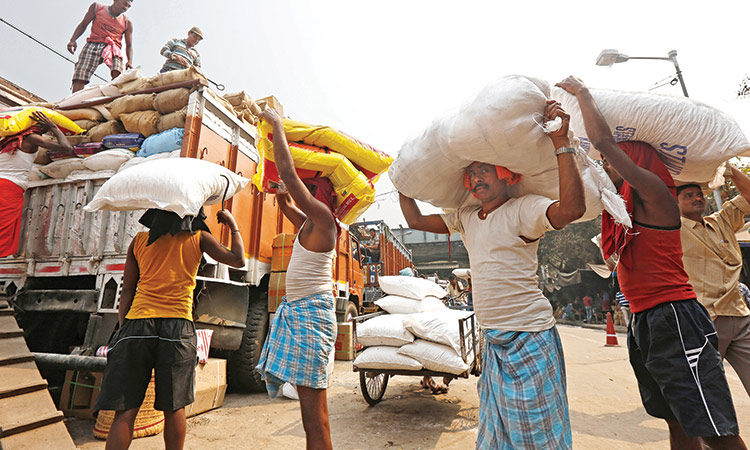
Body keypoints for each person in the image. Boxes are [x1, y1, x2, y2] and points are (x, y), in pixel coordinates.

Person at [558, 75, 745, 449]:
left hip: (674, 316)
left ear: (639, 163)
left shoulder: (657, 196)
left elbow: (603, 143)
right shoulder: (622, 212)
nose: (609, 168)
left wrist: (582, 93)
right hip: (644, 320)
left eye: (619, 165)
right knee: (676, 421)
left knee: (712, 428)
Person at [399, 99, 584, 449]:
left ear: (506, 173)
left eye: (484, 169)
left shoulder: (523, 209)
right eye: (471, 173)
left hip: (530, 339)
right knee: (498, 437)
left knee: (538, 439)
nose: (475, 177)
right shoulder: (466, 216)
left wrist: (562, 143)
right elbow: (415, 222)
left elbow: (572, 208)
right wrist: (403, 182)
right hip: (494, 345)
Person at [94, 207, 246, 450]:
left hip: (137, 325)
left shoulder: (139, 241)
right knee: (174, 409)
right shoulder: (199, 238)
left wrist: (125, 326)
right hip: (177, 328)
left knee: (125, 411)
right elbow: (238, 259)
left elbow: (128, 289)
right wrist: (231, 224)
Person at [255, 108, 338, 450]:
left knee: (314, 416)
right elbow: (289, 202)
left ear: (325, 195)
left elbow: (291, 178)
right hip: (302, 313)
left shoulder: (326, 219)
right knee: (311, 416)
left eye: (313, 185)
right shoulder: (310, 221)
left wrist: (276, 126)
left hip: (310, 316)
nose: (309, 189)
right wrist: (280, 193)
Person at [677, 170, 750, 397]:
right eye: (688, 196)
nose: (697, 198)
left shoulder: (722, 221)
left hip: (739, 315)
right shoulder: (672, 230)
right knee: (707, 395)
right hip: (703, 321)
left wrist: (728, 169)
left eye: (699, 194)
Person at [0, 111, 76, 258]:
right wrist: (54, 127)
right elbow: (66, 148)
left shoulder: (7, 140)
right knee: (3, 233)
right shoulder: (31, 138)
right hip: (9, 188)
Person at [68, 0, 134, 93]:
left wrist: (129, 61)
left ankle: (113, 96)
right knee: (81, 75)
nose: (125, 8)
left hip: (113, 48)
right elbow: (83, 25)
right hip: (94, 44)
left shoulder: (127, 22)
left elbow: (129, 45)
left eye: (128, 7)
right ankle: (73, 100)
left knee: (117, 72)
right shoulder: (97, 8)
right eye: (124, 4)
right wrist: (73, 40)